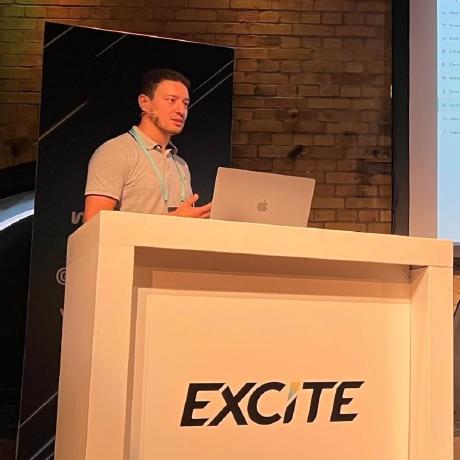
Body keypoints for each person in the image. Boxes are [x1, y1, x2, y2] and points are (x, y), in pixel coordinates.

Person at [83, 68, 211, 222]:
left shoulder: (181, 165)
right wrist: (172, 221)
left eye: (185, 104)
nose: (181, 110)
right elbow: (94, 223)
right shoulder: (115, 152)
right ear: (144, 103)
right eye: (171, 100)